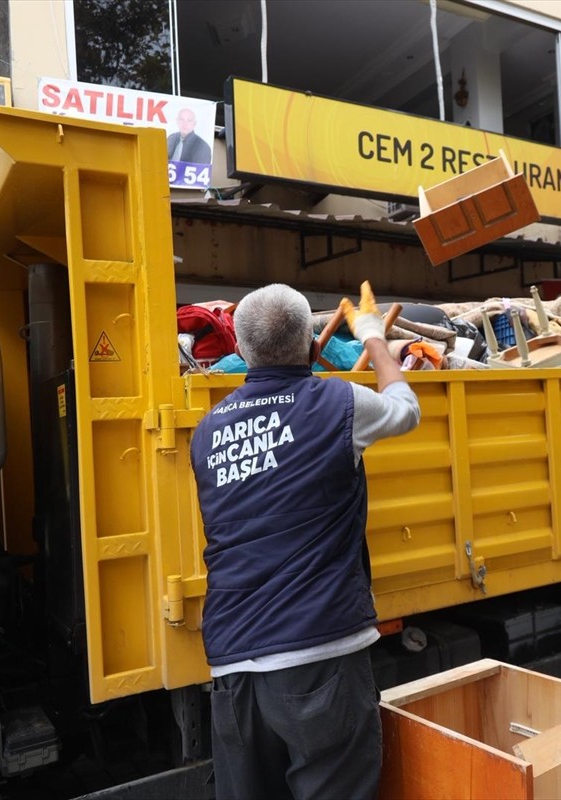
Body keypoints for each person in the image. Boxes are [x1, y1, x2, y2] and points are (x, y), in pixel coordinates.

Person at [190, 281, 419, 800]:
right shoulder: (338, 402)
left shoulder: (206, 431)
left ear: (240, 350)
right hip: (318, 656)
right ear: (316, 349)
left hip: (232, 665)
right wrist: (372, 336)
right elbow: (405, 408)